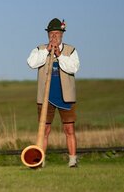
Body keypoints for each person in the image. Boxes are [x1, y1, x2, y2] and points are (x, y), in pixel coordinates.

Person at [27, 18, 80, 168]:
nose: (54, 37)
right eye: (51, 33)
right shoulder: (40, 49)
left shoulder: (71, 50)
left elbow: (73, 68)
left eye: (57, 33)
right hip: (45, 96)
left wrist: (59, 54)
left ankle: (72, 160)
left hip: (66, 95)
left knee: (69, 128)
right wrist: (47, 51)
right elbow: (32, 63)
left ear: (62, 34)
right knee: (44, 130)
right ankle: (41, 160)